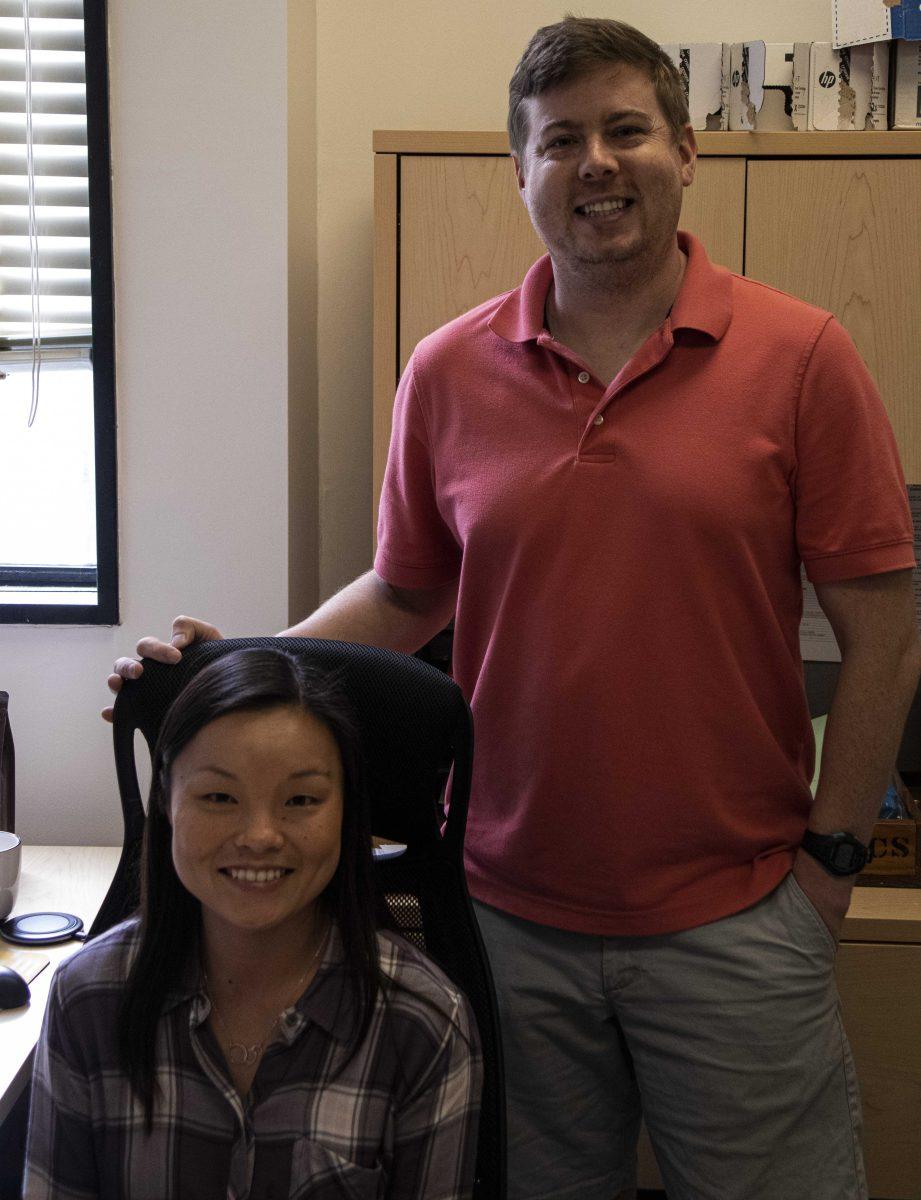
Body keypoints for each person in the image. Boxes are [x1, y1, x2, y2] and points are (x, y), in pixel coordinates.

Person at [107, 17, 921, 1200]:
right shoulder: (446, 370)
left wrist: (831, 866)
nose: (596, 162)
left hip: (740, 917)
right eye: (561, 140)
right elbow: (403, 594)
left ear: (686, 152)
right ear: (523, 172)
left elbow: (885, 634)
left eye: (627, 130)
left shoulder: (802, 358)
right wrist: (232, 668)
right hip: (503, 919)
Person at [30, 648, 482, 1199]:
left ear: (346, 811)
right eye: (219, 796)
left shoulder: (424, 1024)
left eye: (301, 799)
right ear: (168, 802)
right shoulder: (88, 999)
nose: (261, 835)